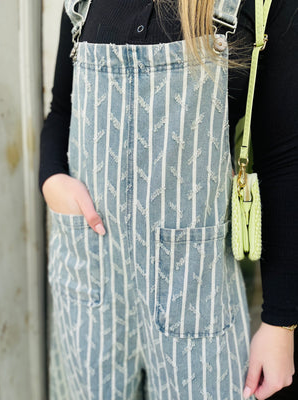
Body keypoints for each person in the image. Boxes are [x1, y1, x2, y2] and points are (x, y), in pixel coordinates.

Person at [40, 0, 298, 399]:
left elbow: (284, 157)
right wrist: (52, 180)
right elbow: (61, 110)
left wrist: (281, 322)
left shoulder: (256, 6)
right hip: (92, 280)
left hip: (196, 295)